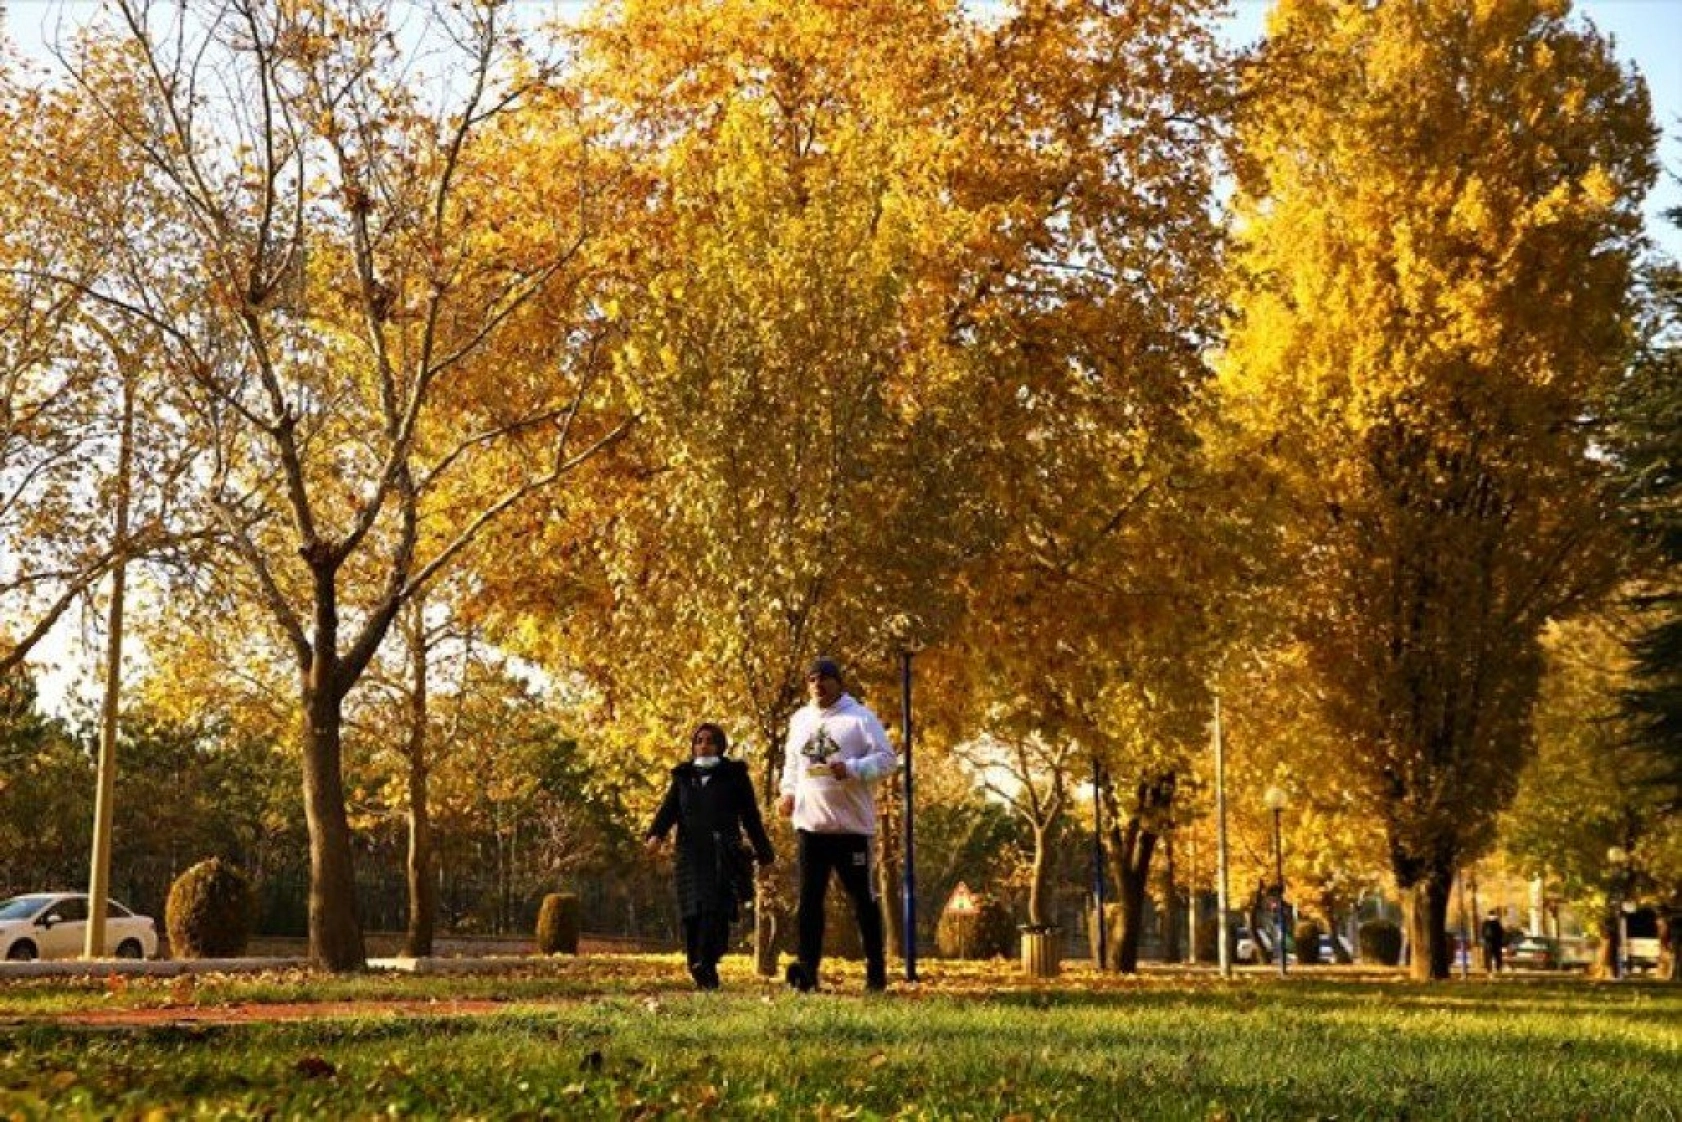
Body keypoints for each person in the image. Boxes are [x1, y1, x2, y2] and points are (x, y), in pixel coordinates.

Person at [777, 656, 899, 993]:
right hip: (810, 829)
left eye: (825, 678)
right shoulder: (800, 720)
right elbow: (792, 766)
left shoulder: (860, 718)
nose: (818, 684)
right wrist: (787, 794)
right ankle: (807, 975)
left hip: (851, 830)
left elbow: (888, 760)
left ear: (839, 682)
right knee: (809, 903)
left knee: (863, 901)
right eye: (812, 679)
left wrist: (855, 769)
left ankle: (875, 974)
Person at [645, 722, 775, 990]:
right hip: (690, 855)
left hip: (722, 853)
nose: (704, 745)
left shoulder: (734, 776)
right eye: (699, 741)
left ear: (720, 745)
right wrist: (655, 835)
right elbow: (668, 811)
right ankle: (697, 966)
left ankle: (707, 961)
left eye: (710, 741)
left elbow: (751, 818)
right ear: (693, 746)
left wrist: (765, 855)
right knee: (692, 913)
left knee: (713, 911)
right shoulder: (683, 777)